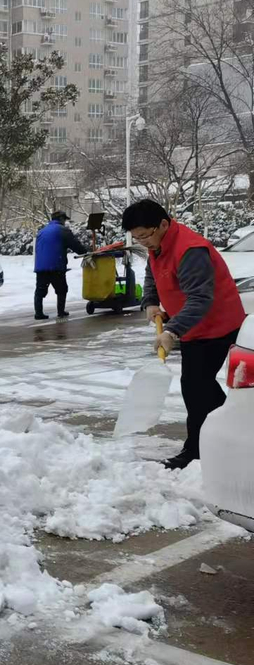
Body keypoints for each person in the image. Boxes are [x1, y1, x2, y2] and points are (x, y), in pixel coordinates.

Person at [122, 199, 247, 470]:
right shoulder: (158, 245)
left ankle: (203, 448)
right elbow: (152, 274)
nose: (143, 242)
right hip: (192, 329)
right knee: (197, 388)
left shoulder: (190, 250)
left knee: (196, 387)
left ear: (163, 224)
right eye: (137, 238)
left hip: (216, 326)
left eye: (145, 235)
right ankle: (228, 434)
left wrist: (172, 330)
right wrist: (151, 301)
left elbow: (201, 298)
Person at [33, 210, 87, 319]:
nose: (65, 222)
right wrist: (85, 252)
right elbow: (74, 245)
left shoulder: (42, 231)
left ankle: (38, 313)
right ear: (61, 219)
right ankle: (61, 312)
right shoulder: (62, 230)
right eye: (65, 220)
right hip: (56, 265)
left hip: (41, 266)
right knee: (62, 289)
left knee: (40, 290)